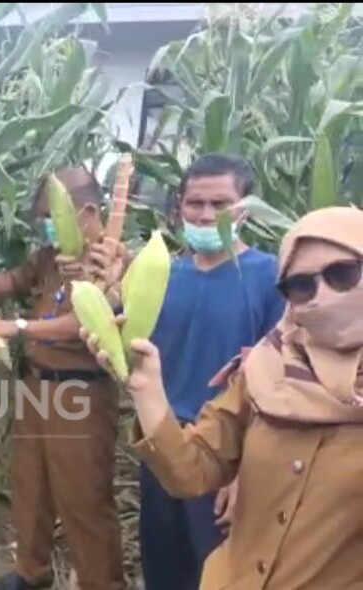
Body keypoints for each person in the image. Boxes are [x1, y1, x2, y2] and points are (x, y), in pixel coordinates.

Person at [83, 205, 363, 589]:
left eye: (343, 275)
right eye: (302, 285)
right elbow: (192, 470)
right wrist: (148, 389)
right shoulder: (266, 372)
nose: (323, 296)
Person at [86, 154, 285, 590]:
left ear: (246, 208)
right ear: (179, 207)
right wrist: (98, 289)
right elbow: (113, 327)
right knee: (165, 567)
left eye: (220, 203)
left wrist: (247, 473)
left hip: (226, 458)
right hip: (164, 444)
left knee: (217, 573)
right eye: (195, 203)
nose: (206, 214)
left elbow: (281, 386)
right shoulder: (161, 275)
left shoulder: (271, 278)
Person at [0, 167, 124, 590]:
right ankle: (31, 573)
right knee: (31, 488)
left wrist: (15, 328)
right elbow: (16, 279)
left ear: (85, 212)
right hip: (37, 389)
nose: (45, 226)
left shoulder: (111, 262)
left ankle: (103, 584)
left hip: (80, 395)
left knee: (84, 500)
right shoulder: (51, 256)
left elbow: (83, 319)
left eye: (50, 216)